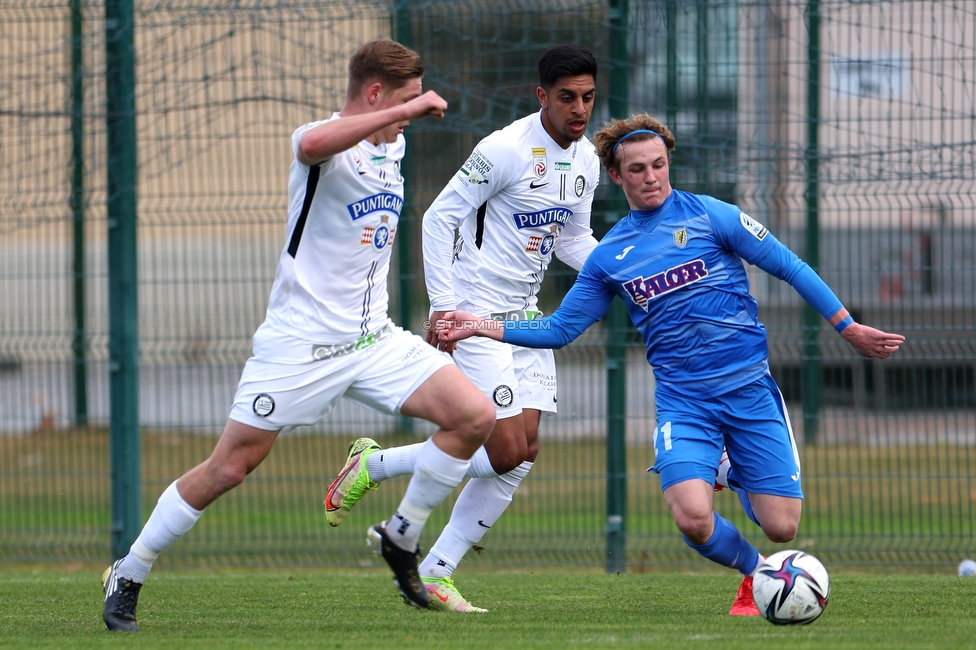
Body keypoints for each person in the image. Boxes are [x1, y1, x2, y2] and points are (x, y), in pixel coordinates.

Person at [435, 113, 905, 615]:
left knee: (783, 525)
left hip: (748, 388)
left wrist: (847, 326)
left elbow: (790, 266)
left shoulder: (712, 215)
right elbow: (560, 329)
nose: (651, 176)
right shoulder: (609, 256)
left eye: (658, 164)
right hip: (685, 402)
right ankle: (759, 570)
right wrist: (481, 325)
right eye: (636, 169)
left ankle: (728, 470)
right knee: (692, 519)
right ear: (616, 176)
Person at [100, 39, 496, 632]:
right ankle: (129, 570)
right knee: (229, 468)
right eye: (405, 99)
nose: (413, 111)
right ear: (374, 95)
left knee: (473, 416)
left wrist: (399, 121)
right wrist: (401, 113)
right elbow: (311, 145)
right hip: (301, 343)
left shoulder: (395, 146)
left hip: (374, 339)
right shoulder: (324, 141)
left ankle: (401, 537)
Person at [323, 44, 601, 612]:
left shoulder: (589, 160)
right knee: (501, 451)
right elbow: (439, 216)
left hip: (526, 320)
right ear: (542, 96)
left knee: (522, 453)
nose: (580, 110)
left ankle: (436, 571)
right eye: (568, 98)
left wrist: (622, 271)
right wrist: (445, 307)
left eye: (589, 98)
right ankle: (377, 469)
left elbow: (572, 240)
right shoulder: (503, 149)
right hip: (477, 314)